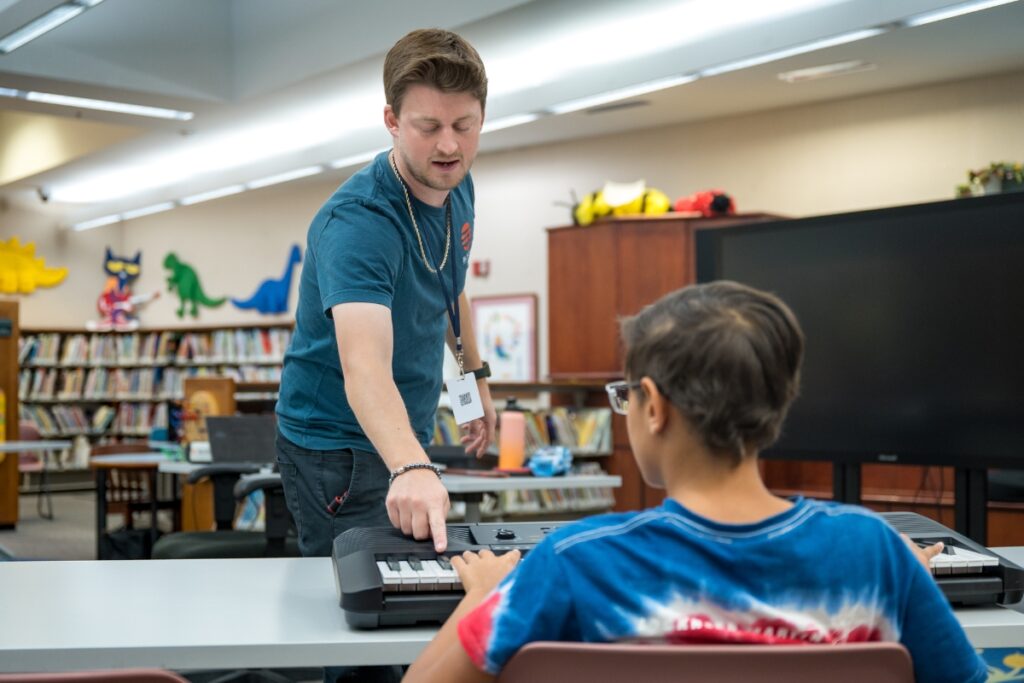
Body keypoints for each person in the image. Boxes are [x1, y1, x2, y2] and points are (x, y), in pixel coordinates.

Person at [403, 281, 987, 683]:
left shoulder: (573, 563)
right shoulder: (878, 554)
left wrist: (482, 593)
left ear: (652, 406)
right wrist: (907, 578)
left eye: (626, 396)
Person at [275, 27, 495, 559]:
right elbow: (365, 366)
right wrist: (412, 464)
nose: (449, 145)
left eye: (464, 125)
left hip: (404, 429)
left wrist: (472, 380)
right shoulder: (360, 223)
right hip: (336, 447)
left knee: (407, 582)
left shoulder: (456, 185)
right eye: (429, 126)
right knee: (355, 596)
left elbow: (449, 284)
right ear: (392, 122)